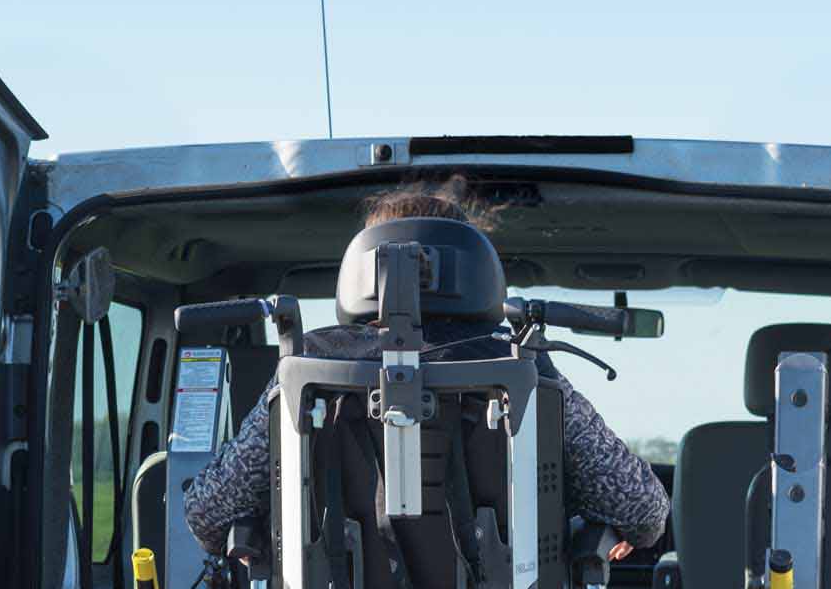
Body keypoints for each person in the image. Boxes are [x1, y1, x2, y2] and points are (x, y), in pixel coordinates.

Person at [184, 181, 669, 560]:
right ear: (473, 270)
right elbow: (644, 509)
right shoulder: (520, 365)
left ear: (363, 272)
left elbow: (206, 512)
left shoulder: (307, 366)